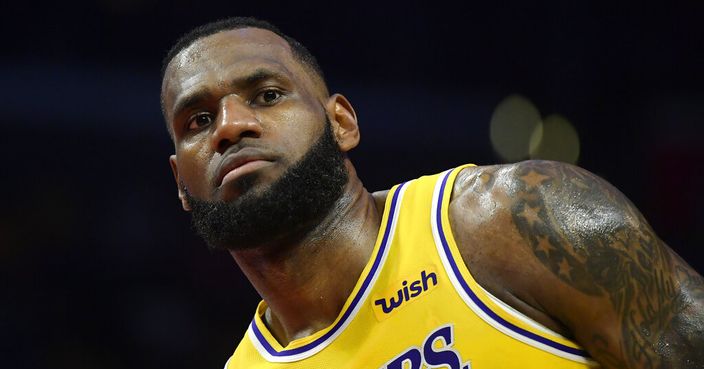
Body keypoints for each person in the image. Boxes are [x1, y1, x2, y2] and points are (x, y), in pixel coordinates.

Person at [160, 17, 704, 369]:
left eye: (268, 94)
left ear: (341, 123)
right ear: (181, 184)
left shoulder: (512, 221)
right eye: (199, 121)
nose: (230, 126)